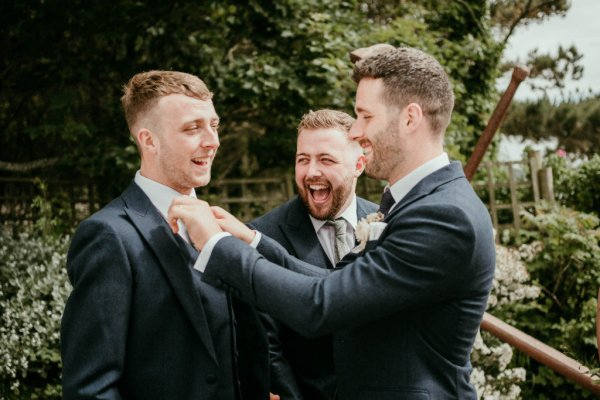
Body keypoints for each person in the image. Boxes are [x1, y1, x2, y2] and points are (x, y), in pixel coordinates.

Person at [169, 46, 496, 399]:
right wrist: (253, 242)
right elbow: (341, 284)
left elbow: (320, 305)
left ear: (410, 118)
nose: (355, 131)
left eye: (365, 116)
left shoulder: (444, 216)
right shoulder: (423, 202)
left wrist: (218, 247)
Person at [60, 70, 270, 400]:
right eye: (192, 128)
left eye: (213, 125)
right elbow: (90, 387)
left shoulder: (222, 225)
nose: (213, 140)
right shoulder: (109, 236)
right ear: (148, 140)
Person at [250, 109, 378, 400]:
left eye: (326, 159)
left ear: (359, 164)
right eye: (302, 160)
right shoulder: (263, 235)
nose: (311, 172)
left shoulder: (387, 223)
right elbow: (266, 345)